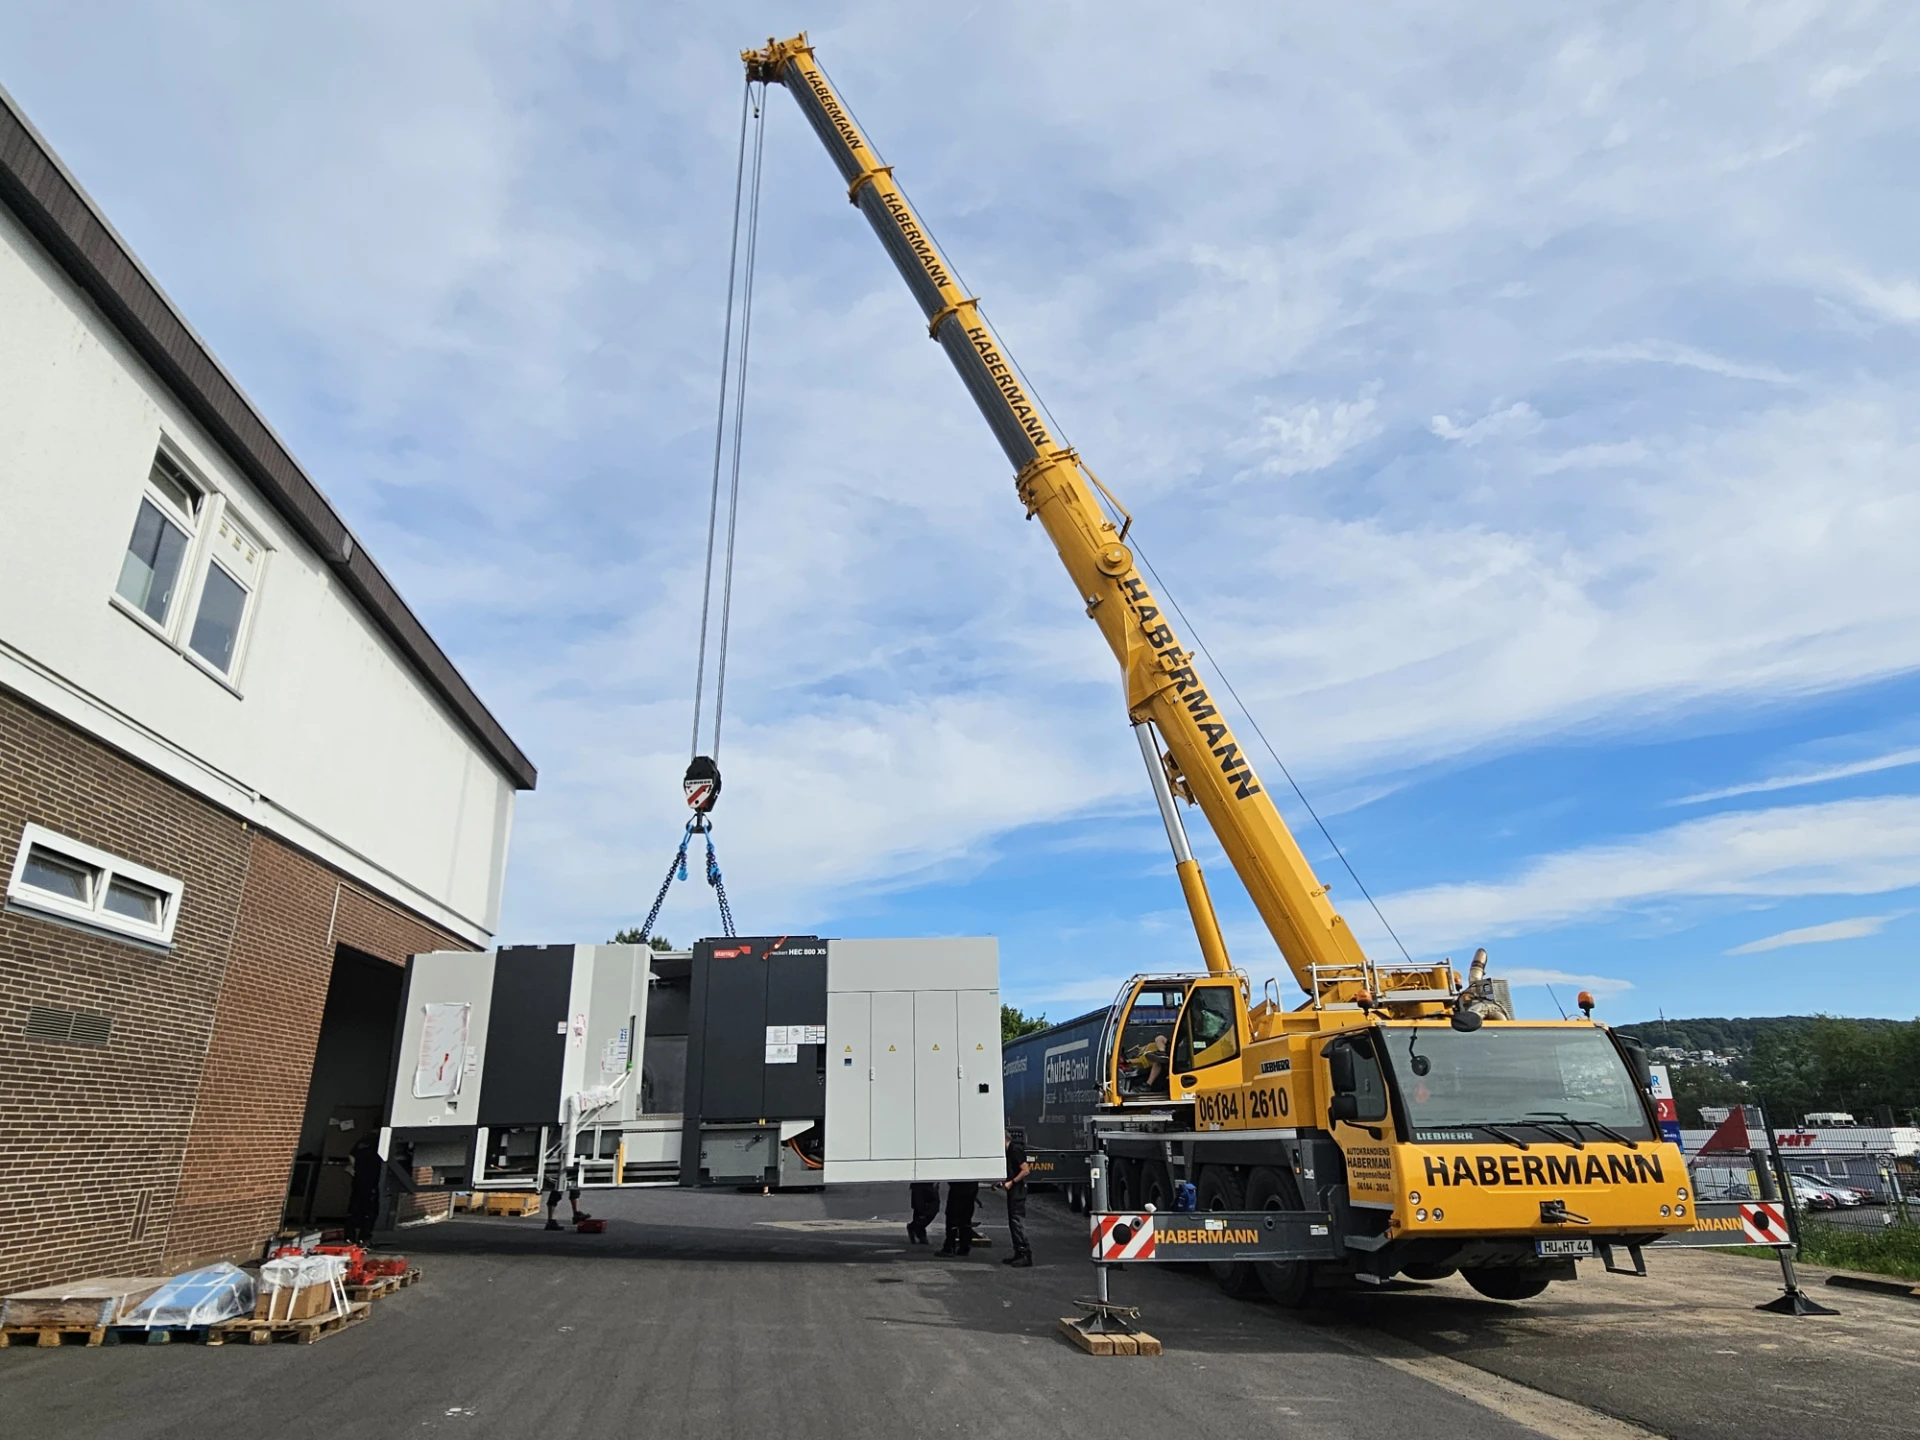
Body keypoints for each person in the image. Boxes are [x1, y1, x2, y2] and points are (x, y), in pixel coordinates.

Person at [993, 1128, 1034, 1267]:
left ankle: (1025, 1253)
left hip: (1018, 1191)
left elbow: (1025, 1170)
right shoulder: (1009, 1151)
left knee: (1017, 1221)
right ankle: (1018, 1252)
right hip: (1014, 1191)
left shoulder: (1015, 1149)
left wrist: (1012, 1182)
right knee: (1013, 1222)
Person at [345, 1132, 382, 1245]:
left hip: (359, 1178)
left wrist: (356, 1169)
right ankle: (364, 1237)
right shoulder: (380, 1141)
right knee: (370, 1209)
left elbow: (351, 1155)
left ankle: (350, 1236)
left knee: (355, 1206)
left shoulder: (364, 1140)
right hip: (372, 1179)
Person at [543, 1151, 592, 1232]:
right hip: (561, 1161)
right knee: (558, 1189)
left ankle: (576, 1213)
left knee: (573, 1186)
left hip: (567, 1159)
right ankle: (551, 1220)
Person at [937, 1180, 978, 1257]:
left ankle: (949, 1247)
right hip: (972, 1184)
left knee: (953, 1215)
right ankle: (964, 1246)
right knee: (966, 1215)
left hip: (959, 1184)